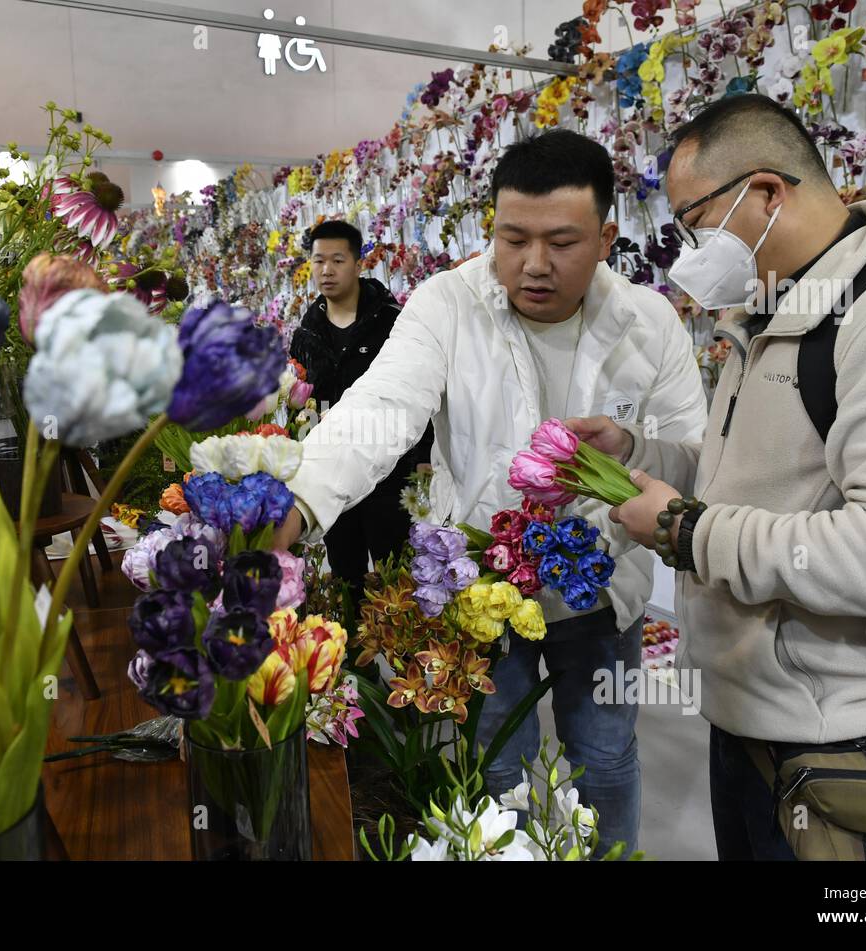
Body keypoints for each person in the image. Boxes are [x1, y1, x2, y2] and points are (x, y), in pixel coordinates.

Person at [570, 94, 866, 859]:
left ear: (767, 192)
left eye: (693, 222)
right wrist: (636, 454)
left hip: (859, 757)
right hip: (753, 738)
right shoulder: (771, 316)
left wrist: (685, 529)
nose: (687, 250)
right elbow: (755, 483)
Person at [277, 130, 708, 852]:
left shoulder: (649, 320)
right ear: (491, 229)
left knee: (602, 761)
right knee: (492, 765)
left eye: (561, 242)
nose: (533, 265)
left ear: (606, 236)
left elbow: (695, 457)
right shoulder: (448, 304)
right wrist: (298, 501)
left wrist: (632, 451)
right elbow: (381, 408)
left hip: (603, 594)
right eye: (513, 238)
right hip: (484, 589)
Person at [288, 220, 429, 603]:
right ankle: (352, 657)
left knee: (397, 572)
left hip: (390, 470)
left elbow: (418, 389)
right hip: (331, 469)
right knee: (345, 573)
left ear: (358, 263)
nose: (327, 270)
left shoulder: (391, 323)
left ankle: (402, 656)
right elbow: (299, 402)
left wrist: (423, 460)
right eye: (318, 261)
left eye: (337, 260)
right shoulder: (306, 333)